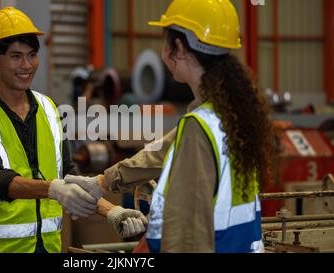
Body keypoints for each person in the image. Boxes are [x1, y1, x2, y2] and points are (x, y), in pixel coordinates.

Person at [65, 0, 276, 253]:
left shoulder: (199, 127)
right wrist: (104, 180)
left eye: (166, 40)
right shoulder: (229, 113)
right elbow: (161, 151)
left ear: (178, 47)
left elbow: (186, 236)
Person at [0, 6, 146, 253]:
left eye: (32, 55)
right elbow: (0, 182)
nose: (27, 65)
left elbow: (69, 176)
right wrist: (53, 189)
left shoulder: (49, 109)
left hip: (49, 248)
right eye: (16, 56)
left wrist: (112, 211)